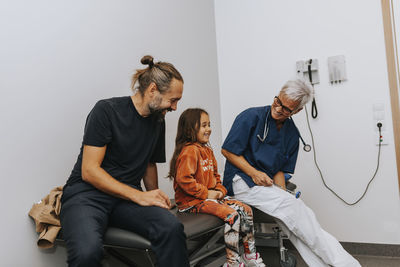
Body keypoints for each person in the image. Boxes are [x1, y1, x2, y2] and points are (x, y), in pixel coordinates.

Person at [60, 55, 189, 267]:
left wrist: (153, 197)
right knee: (87, 252)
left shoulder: (158, 120)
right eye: (173, 100)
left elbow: (148, 163)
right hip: (87, 195)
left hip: (125, 200)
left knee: (170, 228)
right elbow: (89, 171)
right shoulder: (107, 111)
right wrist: (139, 196)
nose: (175, 107)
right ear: (152, 90)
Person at [221, 79, 361, 267]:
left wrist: (282, 192)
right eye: (278, 101)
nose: (278, 109)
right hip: (240, 180)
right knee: (300, 213)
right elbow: (228, 151)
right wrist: (253, 172)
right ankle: (346, 264)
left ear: (297, 111)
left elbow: (279, 169)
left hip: (263, 186)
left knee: (295, 222)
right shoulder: (251, 117)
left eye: (287, 109)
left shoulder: (292, 134)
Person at [169, 108, 266, 267]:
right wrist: (207, 193)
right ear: (189, 129)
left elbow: (216, 177)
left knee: (246, 210)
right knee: (232, 215)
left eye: (209, 125)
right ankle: (232, 262)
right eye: (203, 125)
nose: (209, 129)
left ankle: (250, 254)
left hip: (208, 198)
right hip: (191, 203)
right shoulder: (189, 151)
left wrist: (220, 191)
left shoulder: (207, 150)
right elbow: (184, 180)